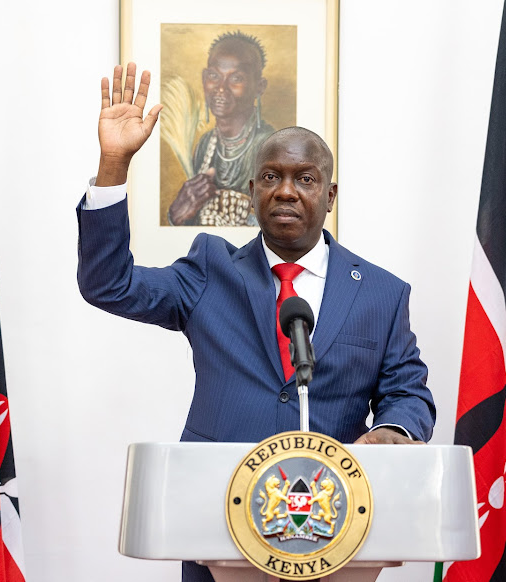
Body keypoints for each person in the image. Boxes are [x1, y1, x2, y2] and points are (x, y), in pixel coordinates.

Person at [77, 64, 435, 582]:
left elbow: (408, 390)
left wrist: (393, 430)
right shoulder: (209, 269)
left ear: (329, 196)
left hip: (333, 527)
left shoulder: (380, 293)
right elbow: (109, 285)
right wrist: (113, 164)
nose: (286, 191)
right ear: (252, 191)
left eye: (304, 179)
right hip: (214, 519)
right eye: (271, 177)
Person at [167, 31, 275, 226]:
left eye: (236, 78)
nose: (221, 88)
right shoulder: (205, 145)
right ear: (204, 78)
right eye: (214, 76)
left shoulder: (271, 148)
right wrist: (178, 215)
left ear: (260, 86)